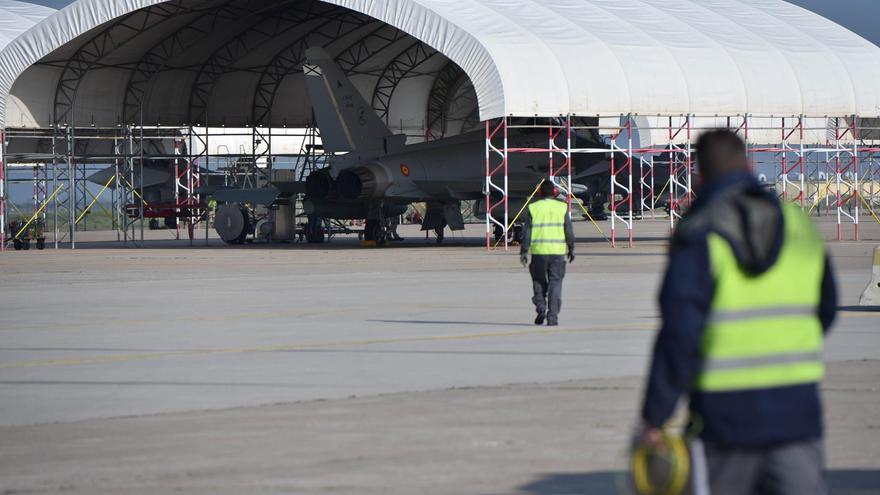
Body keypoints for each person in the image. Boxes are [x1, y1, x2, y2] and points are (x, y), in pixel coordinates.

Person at [637, 129, 837, 495]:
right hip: (797, 411)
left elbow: (680, 335)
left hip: (724, 421)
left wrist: (655, 415)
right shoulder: (799, 225)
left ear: (699, 175)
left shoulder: (700, 235)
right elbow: (826, 310)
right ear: (749, 164)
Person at [520, 180, 575, 326]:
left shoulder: (533, 207)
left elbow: (527, 233)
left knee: (538, 281)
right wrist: (571, 248)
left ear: (540, 193)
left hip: (539, 253)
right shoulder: (562, 207)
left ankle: (540, 307)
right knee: (556, 284)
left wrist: (524, 251)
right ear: (555, 193)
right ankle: (553, 317)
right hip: (557, 253)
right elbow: (568, 230)